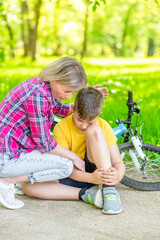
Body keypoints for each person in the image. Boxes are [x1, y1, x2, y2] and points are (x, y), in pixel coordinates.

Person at [0, 57, 108, 210]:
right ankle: (7, 182)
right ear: (55, 80)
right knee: (66, 166)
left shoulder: (42, 86)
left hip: (13, 149)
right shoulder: (38, 95)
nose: (69, 96)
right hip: (6, 157)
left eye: (72, 92)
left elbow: (63, 110)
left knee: (61, 160)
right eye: (67, 91)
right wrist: (74, 157)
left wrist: (89, 100)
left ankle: (11, 180)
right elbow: (45, 143)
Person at [22, 87, 125, 214]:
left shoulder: (103, 125)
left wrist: (118, 175)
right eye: (80, 120)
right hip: (73, 173)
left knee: (94, 131)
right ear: (73, 109)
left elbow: (118, 162)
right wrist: (91, 179)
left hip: (98, 170)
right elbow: (65, 168)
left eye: (90, 121)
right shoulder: (61, 128)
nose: (83, 125)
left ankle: (108, 189)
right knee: (28, 186)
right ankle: (86, 194)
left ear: (99, 114)